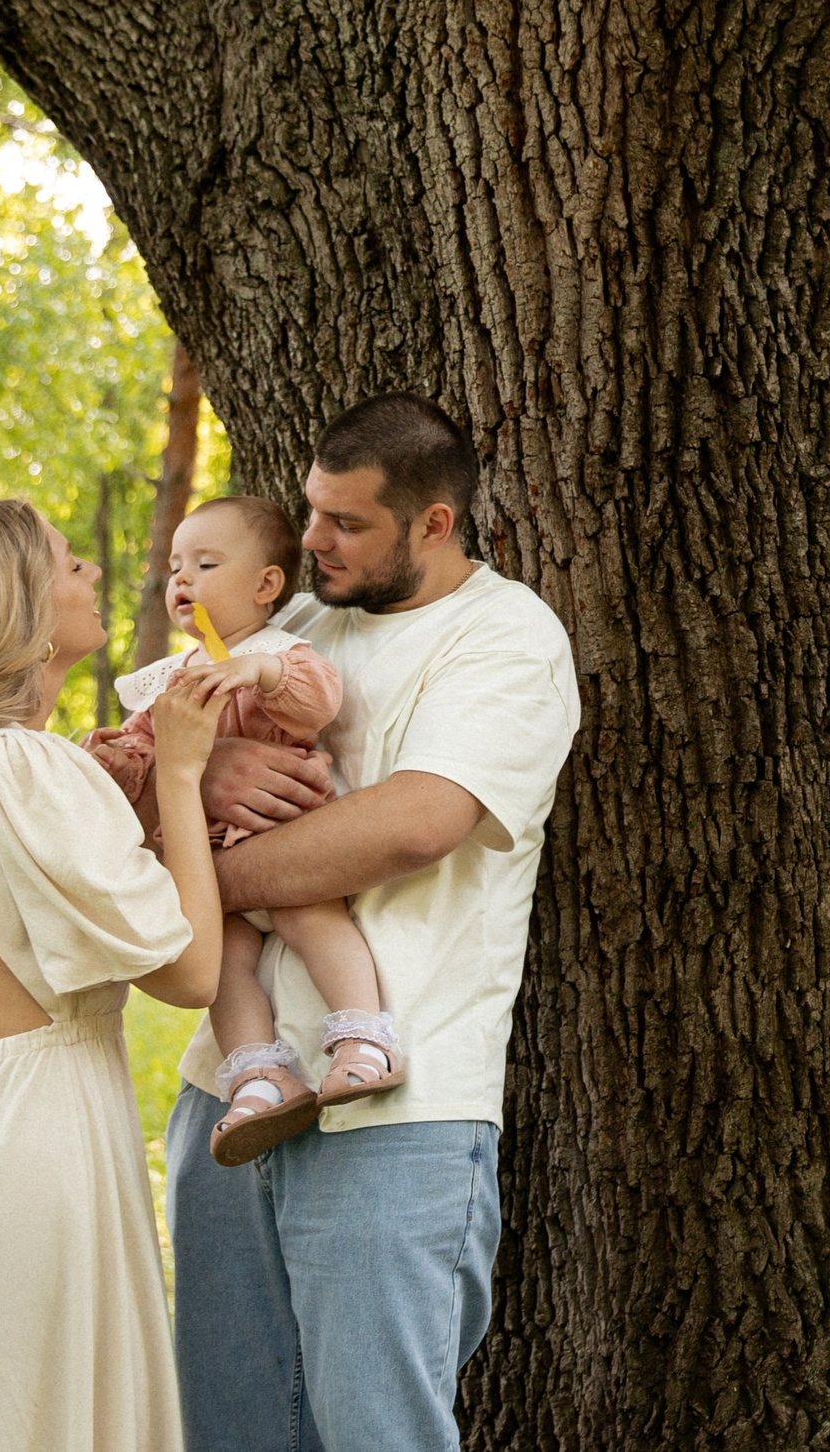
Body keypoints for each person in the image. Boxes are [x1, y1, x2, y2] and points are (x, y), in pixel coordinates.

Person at [94, 395, 579, 1452]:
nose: (313, 540)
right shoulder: (295, 618)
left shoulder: (504, 638)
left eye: (347, 523)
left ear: (434, 525)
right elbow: (143, 774)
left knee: (373, 1437)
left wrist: (203, 883)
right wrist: (202, 772)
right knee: (232, 1432)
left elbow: (417, 823)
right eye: (311, 514)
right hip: (230, 1091)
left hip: (396, 1111)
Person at [0, 497, 229, 1451]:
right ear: (15, 604)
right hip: (38, 1147)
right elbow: (190, 971)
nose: (93, 576)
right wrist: (182, 776)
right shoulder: (27, 767)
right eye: (69, 565)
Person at [101, 496, 401, 1167]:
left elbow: (317, 696)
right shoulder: (172, 679)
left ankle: (363, 1041)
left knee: (312, 918)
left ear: (267, 585)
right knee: (223, 958)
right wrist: (120, 758)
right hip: (217, 865)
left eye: (206, 564)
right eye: (176, 567)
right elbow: (138, 753)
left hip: (287, 841)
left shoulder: (279, 651)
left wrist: (254, 671)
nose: (183, 580)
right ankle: (258, 1074)